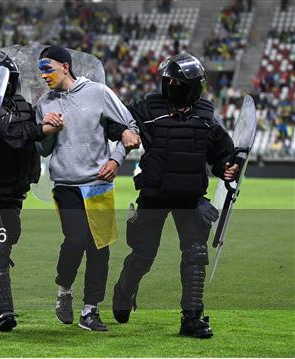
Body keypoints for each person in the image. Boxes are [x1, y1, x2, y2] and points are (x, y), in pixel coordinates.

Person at [110, 53, 239, 339]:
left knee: (195, 255)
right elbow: (114, 119)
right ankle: (123, 292)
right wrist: (122, 131)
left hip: (190, 197)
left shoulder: (206, 116)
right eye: (167, 80)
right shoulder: (148, 107)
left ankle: (191, 318)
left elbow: (221, 155)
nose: (169, 84)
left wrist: (227, 168)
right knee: (143, 255)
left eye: (175, 81)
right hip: (154, 194)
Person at [35, 45, 141, 331]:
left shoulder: (98, 93)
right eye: (41, 70)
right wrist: (47, 129)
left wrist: (116, 160)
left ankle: (90, 310)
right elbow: (43, 150)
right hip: (66, 183)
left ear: (65, 67)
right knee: (76, 239)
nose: (43, 75)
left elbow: (131, 127)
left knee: (100, 249)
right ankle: (64, 291)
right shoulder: (44, 103)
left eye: (48, 68)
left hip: (97, 183)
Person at [0, 51, 60, 332]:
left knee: (3, 246)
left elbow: (30, 148)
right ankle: (4, 311)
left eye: (9, 77)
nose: (6, 82)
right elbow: (8, 135)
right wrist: (41, 129)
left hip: (13, 191)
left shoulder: (24, 105)